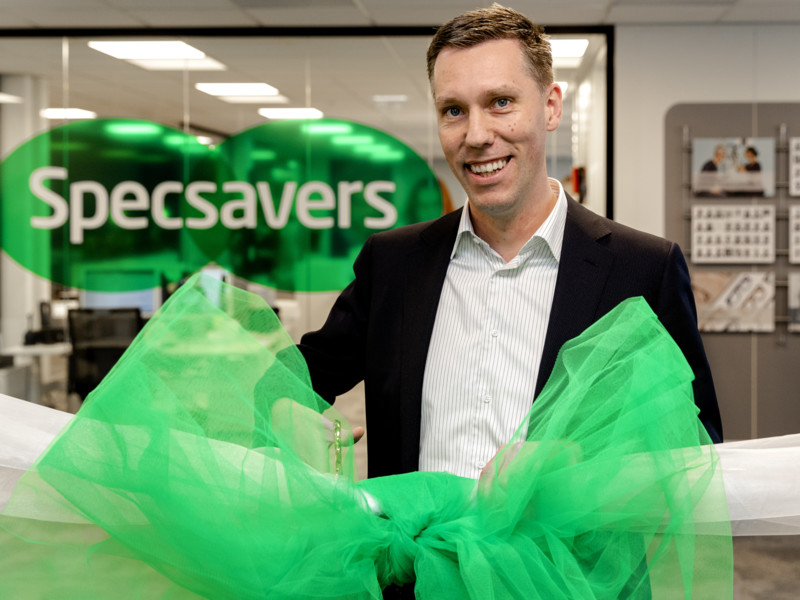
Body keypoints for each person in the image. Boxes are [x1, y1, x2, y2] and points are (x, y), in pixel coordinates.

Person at [299, 3, 722, 490]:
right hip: (414, 542)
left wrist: (578, 461)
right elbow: (295, 378)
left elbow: (695, 449)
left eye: (500, 102)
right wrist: (289, 415)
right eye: (453, 110)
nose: (477, 135)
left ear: (551, 107)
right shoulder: (394, 263)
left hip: (566, 544)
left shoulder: (642, 270)